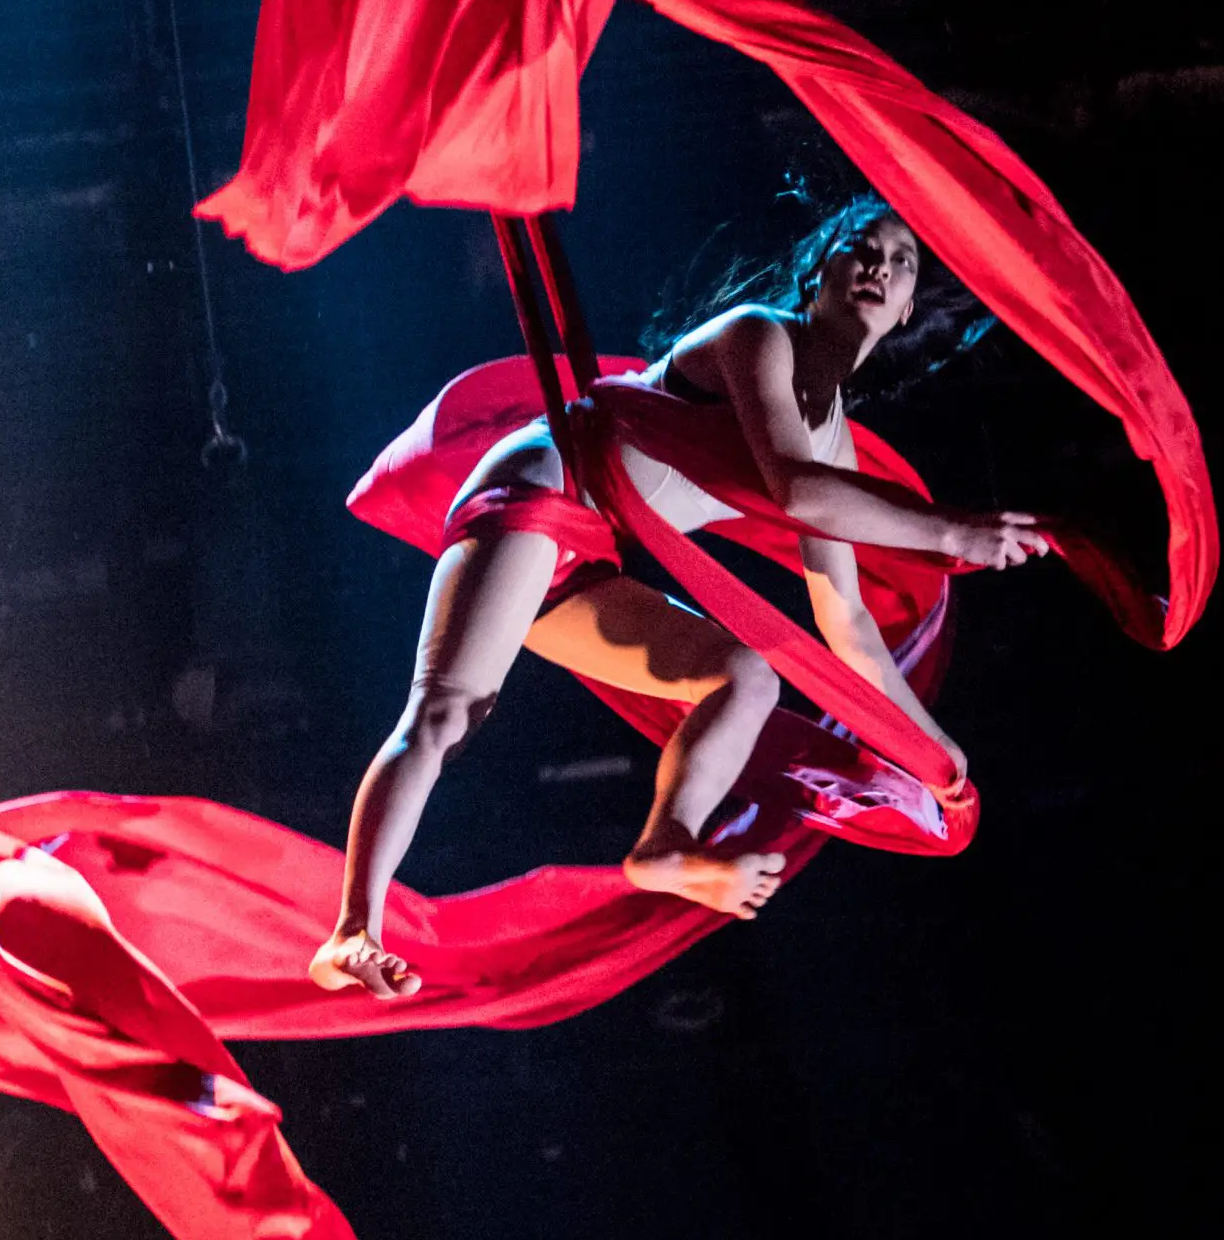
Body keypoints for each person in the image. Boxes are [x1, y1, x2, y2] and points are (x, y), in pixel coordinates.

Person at [309, 200, 1050, 1000]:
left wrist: (933, 754)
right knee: (449, 713)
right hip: (535, 492)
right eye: (859, 249)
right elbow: (797, 493)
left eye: (900, 261)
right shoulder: (758, 334)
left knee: (746, 675)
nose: (877, 265)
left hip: (587, 556)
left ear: (907, 309)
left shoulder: (831, 434)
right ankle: (353, 928)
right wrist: (952, 532)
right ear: (819, 269)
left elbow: (848, 624)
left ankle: (665, 843)